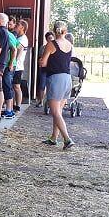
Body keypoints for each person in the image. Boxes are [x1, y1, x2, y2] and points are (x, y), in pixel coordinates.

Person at [39, 19, 75, 150]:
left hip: (55, 79)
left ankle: (67, 139)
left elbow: (43, 63)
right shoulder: (70, 45)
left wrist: (41, 61)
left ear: (54, 31)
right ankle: (54, 138)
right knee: (58, 111)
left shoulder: (51, 44)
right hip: (67, 79)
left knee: (55, 111)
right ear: (65, 31)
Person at [0, 21, 20, 119]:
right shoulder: (10, 34)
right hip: (9, 64)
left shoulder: (7, 35)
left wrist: (11, 63)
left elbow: (14, 49)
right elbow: (17, 46)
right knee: (7, 86)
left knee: (7, 87)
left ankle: (9, 111)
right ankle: (9, 109)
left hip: (8, 65)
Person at [12, 20, 30, 112]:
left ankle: (18, 106)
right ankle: (14, 105)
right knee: (13, 86)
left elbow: (19, 51)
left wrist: (13, 62)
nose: (15, 26)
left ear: (22, 27)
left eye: (17, 25)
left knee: (16, 86)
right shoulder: (18, 37)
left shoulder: (22, 39)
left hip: (17, 66)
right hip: (16, 65)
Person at [34, 31, 53, 109]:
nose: (50, 40)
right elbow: (40, 58)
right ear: (46, 39)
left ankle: (50, 102)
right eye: (49, 38)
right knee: (42, 85)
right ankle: (41, 101)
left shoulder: (55, 47)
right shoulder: (43, 48)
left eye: (51, 38)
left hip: (52, 69)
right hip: (44, 69)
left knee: (51, 86)